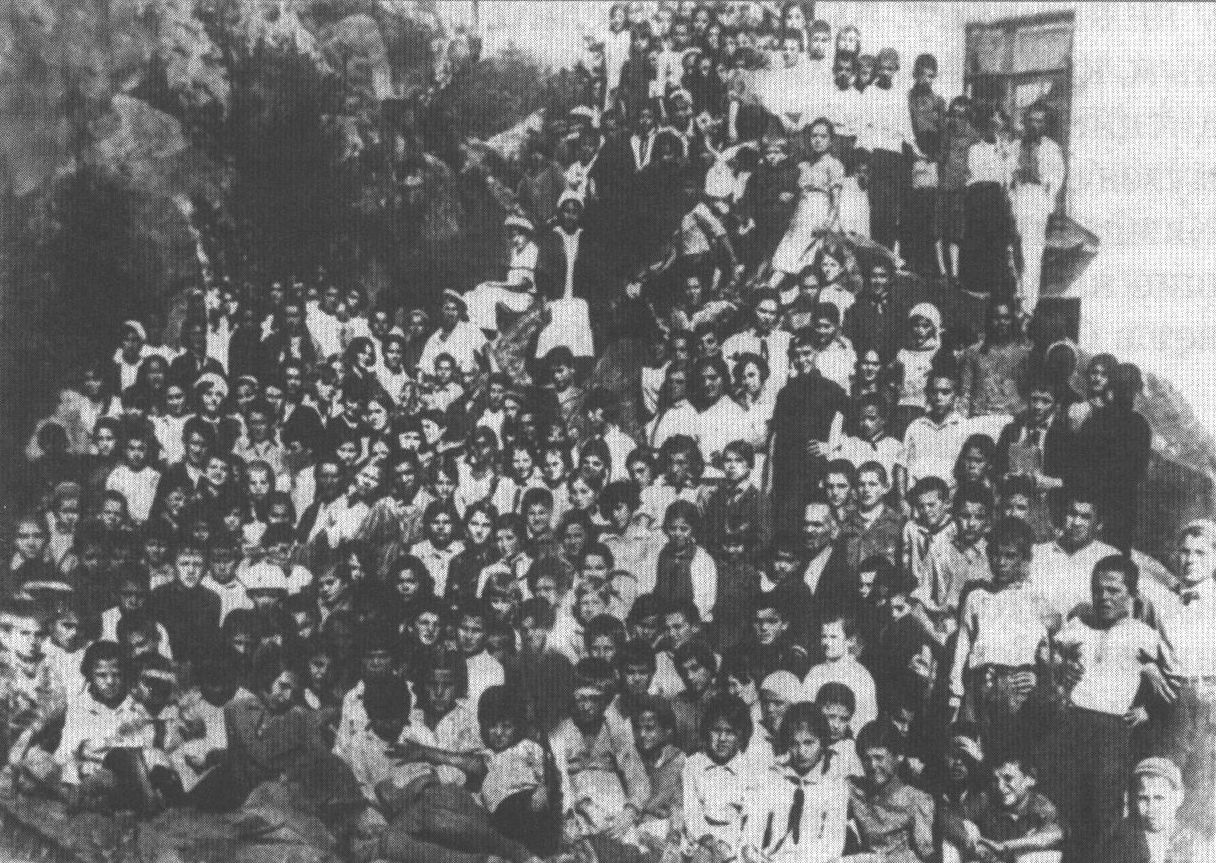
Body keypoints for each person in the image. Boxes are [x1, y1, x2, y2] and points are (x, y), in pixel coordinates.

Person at [1043, 555, 1173, 863]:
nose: (1104, 597)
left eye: (1113, 590)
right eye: (1097, 589)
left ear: (1132, 594)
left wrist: (1148, 709)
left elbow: (1171, 683)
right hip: (1072, 724)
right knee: (1067, 805)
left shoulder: (1143, 634)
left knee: (1105, 811)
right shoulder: (1078, 625)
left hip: (1113, 730)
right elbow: (1047, 653)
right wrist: (1059, 664)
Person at [949, 518, 1052, 748]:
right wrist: (956, 691)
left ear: (1024, 559)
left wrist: (1040, 678)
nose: (1001, 562)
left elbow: (1046, 648)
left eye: (1010, 556)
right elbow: (964, 643)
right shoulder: (977, 596)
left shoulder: (1034, 598)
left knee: (1013, 749)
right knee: (975, 748)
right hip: (981, 683)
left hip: (1017, 686)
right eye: (996, 555)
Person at [741, 702, 849, 863]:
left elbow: (832, 846)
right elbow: (752, 831)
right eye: (794, 744)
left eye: (809, 743)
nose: (801, 752)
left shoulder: (834, 786)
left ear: (822, 742)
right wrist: (752, 854)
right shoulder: (772, 778)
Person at [769, 329, 850, 533]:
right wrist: (770, 481)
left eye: (807, 353)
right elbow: (776, 436)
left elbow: (854, 422)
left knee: (814, 525)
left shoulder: (831, 389)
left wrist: (831, 445)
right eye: (796, 355)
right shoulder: (785, 393)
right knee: (787, 528)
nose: (801, 360)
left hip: (815, 470)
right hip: (786, 472)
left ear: (817, 353)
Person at [940, 755, 1064, 863]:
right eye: (995, 780)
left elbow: (1057, 834)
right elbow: (947, 816)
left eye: (1008, 778)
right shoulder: (987, 798)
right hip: (988, 858)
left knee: (1048, 856)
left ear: (1029, 779)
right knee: (950, 843)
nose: (1000, 786)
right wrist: (966, 834)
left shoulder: (1042, 806)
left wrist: (1004, 846)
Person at [849, 720, 936, 863]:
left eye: (879, 758)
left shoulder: (915, 800)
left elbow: (926, 854)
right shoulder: (856, 791)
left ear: (899, 756)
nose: (872, 765)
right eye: (866, 759)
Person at [1095, 757, 1210, 863]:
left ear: (1179, 797)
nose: (1151, 808)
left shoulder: (1196, 845)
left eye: (1159, 798)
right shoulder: (1118, 841)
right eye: (1143, 798)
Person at [1010, 105, 1065, 316]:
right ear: (1025, 122)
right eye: (1031, 120)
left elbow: (1056, 177)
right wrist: (1012, 188)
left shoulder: (1051, 148)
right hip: (1017, 200)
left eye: (1039, 121)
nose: (1034, 125)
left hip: (1036, 202)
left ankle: (1028, 307)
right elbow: (1008, 173)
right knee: (1015, 253)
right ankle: (1016, 297)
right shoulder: (1016, 146)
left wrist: (1046, 199)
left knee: (1032, 254)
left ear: (1045, 124)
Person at [803, 614, 877, 734]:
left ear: (850, 641)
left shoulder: (861, 676)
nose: (827, 642)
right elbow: (805, 713)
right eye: (824, 636)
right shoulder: (814, 673)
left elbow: (865, 721)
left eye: (833, 637)